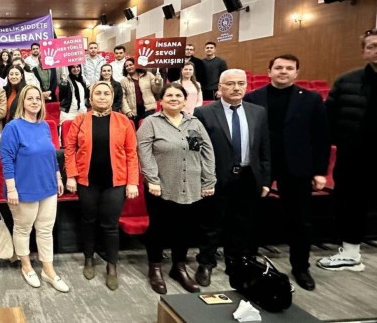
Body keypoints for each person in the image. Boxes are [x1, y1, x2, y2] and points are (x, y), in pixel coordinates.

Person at [244, 54, 330, 290]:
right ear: (269, 71)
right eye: (278, 67)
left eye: (289, 68)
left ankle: (301, 267)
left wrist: (320, 172)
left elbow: (321, 138)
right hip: (262, 164)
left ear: (296, 73)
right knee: (253, 215)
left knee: (300, 221)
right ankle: (248, 260)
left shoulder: (311, 99)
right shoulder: (253, 98)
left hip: (297, 166)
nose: (283, 71)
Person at [193, 69, 271, 287]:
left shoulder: (258, 112)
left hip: (248, 177)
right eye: (230, 84)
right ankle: (206, 263)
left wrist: (265, 179)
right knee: (212, 224)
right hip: (216, 177)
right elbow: (195, 149)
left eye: (241, 83)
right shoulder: (203, 113)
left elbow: (264, 148)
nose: (236, 88)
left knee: (241, 224)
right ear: (220, 88)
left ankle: (235, 263)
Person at [137, 83, 216, 294]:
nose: (174, 98)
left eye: (178, 95)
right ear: (161, 100)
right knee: (158, 228)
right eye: (169, 95)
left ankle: (178, 267)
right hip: (161, 186)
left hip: (191, 186)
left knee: (185, 228)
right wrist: (152, 180)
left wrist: (209, 181)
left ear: (184, 100)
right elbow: (144, 154)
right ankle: (155, 267)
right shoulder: (151, 123)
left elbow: (206, 152)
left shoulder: (194, 123)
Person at [317, 28, 377, 272]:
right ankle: (350, 253)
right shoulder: (346, 82)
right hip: (353, 157)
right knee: (350, 206)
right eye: (372, 46)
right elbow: (327, 122)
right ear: (364, 52)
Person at [64, 81, 140, 291]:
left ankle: (112, 266)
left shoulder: (123, 121)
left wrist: (132, 182)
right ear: (91, 98)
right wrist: (71, 176)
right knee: (88, 220)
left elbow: (131, 153)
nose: (102, 97)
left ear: (112, 97)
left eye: (107, 93)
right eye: (98, 93)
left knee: (110, 225)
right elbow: (69, 149)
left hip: (115, 182)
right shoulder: (80, 120)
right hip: (87, 181)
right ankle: (89, 258)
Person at [0, 85, 69, 292]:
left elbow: (51, 154)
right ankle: (26, 265)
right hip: (23, 188)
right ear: (22, 102)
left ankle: (48, 270)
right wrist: (11, 189)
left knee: (46, 229)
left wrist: (57, 176)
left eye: (37, 98)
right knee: (23, 228)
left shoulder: (44, 125)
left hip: (47, 185)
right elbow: (7, 159)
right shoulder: (13, 127)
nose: (34, 102)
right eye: (29, 98)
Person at [120, 58, 163, 127]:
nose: (129, 67)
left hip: (149, 109)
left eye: (131, 65)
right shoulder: (123, 81)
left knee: (149, 130)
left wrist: (158, 82)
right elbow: (122, 97)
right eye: (126, 66)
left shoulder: (148, 75)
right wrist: (127, 111)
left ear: (136, 65)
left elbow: (156, 91)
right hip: (133, 111)